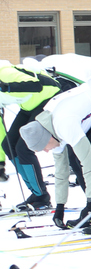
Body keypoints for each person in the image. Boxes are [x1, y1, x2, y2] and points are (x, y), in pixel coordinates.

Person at [18, 65, 91, 234]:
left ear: (46, 138)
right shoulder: (50, 128)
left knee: (81, 157)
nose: (46, 151)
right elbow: (61, 172)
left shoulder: (64, 124)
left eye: (43, 148)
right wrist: (60, 206)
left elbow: (89, 162)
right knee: (74, 157)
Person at [0, 63, 71, 211]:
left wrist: (6, 87)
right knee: (8, 145)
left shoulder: (5, 73)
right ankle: (36, 193)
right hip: (29, 106)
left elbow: (35, 85)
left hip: (49, 98)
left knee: (23, 148)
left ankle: (41, 196)